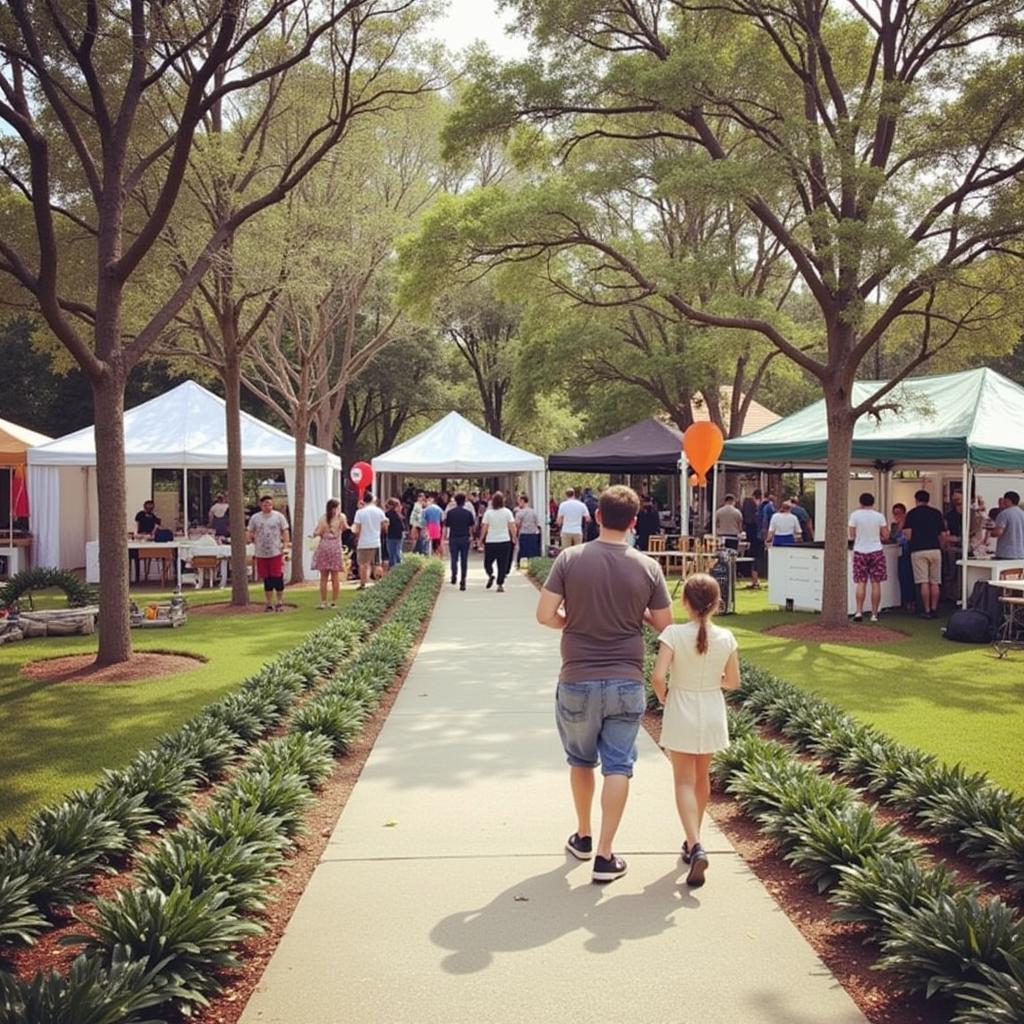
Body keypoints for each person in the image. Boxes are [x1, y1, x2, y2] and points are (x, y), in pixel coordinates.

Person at [536, 485, 673, 883]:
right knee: (619, 764)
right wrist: (638, 618)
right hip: (626, 678)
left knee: (580, 761)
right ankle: (605, 854)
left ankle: (582, 834)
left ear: (597, 517)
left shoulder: (570, 558)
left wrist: (572, 622)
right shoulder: (648, 567)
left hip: (577, 676)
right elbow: (665, 627)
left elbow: (545, 614)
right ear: (633, 522)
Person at [651, 573, 740, 888]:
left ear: (685, 602)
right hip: (712, 709)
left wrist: (665, 698)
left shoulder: (673, 634)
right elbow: (733, 682)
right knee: (702, 778)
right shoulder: (726, 637)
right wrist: (713, 683)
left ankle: (695, 842)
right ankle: (693, 841)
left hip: (682, 707)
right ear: (717, 603)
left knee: (683, 781)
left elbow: (658, 676)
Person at [902, 489, 949, 619]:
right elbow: (943, 534)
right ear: (928, 499)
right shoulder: (936, 513)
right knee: (935, 581)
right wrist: (942, 546)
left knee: (923, 582)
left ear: (916, 499)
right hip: (935, 549)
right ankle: (934, 609)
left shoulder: (911, 514)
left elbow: (908, 535)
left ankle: (926, 610)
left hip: (918, 550)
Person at [848, 493, 890, 622]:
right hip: (876, 550)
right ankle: (874, 614)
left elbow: (851, 534)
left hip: (860, 550)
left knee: (861, 582)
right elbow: (886, 535)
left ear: (860, 502)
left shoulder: (855, 515)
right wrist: (879, 537)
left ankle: (859, 612)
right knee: (876, 583)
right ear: (873, 502)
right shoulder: (879, 516)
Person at [247, 495, 290, 612]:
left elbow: (285, 531)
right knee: (267, 579)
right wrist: (250, 539)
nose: (268, 506)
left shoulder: (278, 517)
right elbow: (250, 531)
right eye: (265, 504)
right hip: (261, 553)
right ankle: (269, 603)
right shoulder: (255, 518)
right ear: (261, 505)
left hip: (275, 551)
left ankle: (280, 601)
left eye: (270, 504)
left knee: (277, 577)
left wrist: (286, 546)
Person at [311, 498, 347, 609]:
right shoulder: (341, 517)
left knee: (323, 577)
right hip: (335, 546)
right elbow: (345, 528)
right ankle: (334, 602)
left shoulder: (323, 518)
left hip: (324, 546)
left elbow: (316, 532)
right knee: (335, 576)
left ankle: (323, 601)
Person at [480, 490, 517, 592]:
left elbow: (484, 527)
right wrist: (514, 537)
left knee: (487, 562)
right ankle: (500, 584)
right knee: (502, 564)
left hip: (491, 541)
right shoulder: (507, 512)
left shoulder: (488, 513)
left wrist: (481, 539)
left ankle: (491, 574)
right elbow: (512, 526)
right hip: (504, 541)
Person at [352, 495, 387, 589]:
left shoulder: (359, 512)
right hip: (376, 541)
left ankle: (363, 584)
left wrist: (356, 537)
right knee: (377, 563)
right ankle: (379, 582)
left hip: (363, 542)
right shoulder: (379, 511)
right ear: (373, 500)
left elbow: (357, 528)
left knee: (363, 564)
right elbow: (385, 524)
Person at [444, 492, 476, 590]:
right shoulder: (468, 513)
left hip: (453, 538)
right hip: (464, 538)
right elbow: (471, 527)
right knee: (464, 559)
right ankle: (463, 580)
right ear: (464, 502)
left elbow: (446, 526)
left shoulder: (450, 513)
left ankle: (454, 576)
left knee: (454, 558)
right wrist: (472, 536)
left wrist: (445, 536)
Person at [889, 503, 916, 612]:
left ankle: (912, 602)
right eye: (895, 513)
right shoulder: (894, 526)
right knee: (902, 577)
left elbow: (906, 538)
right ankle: (905, 601)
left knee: (909, 577)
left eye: (899, 513)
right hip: (898, 554)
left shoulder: (909, 524)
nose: (897, 515)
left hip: (908, 552)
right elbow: (891, 538)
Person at [989, 490, 1024, 559]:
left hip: (1005, 553)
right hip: (1021, 553)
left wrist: (991, 532)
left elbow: (998, 532)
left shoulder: (1004, 514)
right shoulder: (1022, 514)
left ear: (1007, 500)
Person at [741, 490, 762, 588]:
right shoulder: (758, 507)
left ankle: (754, 578)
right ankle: (755, 578)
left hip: (751, 534)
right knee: (756, 557)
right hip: (756, 536)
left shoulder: (747, 504)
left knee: (752, 556)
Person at [514, 493, 542, 568]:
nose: (518, 503)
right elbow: (537, 523)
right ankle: (533, 566)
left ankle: (522, 565)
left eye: (519, 501)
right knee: (533, 551)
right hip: (533, 534)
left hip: (524, 534)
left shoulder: (519, 513)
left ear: (523, 501)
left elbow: (517, 524)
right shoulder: (534, 511)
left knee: (523, 552)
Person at [384, 497, 405, 570]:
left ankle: (394, 568)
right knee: (397, 551)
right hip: (399, 536)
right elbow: (402, 527)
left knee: (392, 553)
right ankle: (399, 567)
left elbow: (386, 526)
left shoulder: (387, 514)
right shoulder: (398, 515)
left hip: (391, 536)